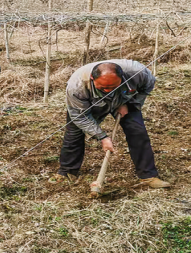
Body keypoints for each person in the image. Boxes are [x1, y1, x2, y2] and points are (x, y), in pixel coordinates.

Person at [50, 59, 170, 189]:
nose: (108, 91)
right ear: (92, 79)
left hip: (124, 98)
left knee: (137, 131)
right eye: (103, 87)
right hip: (88, 103)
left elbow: (147, 86)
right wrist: (102, 137)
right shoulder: (77, 87)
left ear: (122, 77)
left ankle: (148, 175)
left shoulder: (138, 73)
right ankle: (67, 172)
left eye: (113, 87)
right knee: (74, 133)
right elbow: (79, 117)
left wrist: (131, 103)